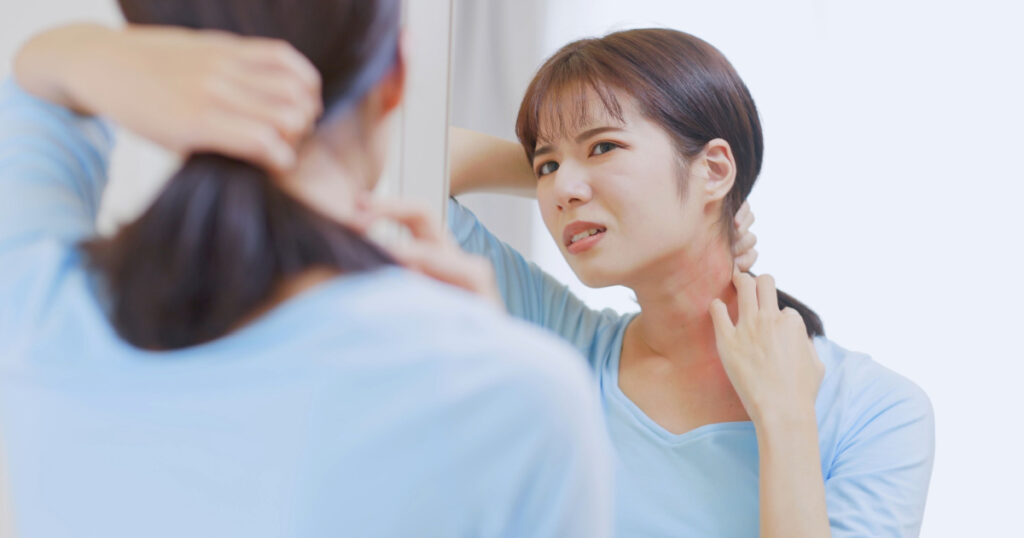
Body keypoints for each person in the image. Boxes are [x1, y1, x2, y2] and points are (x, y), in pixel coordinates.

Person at [0, 1, 614, 537]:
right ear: (397, 75)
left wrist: (113, 55)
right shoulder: (520, 396)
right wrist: (481, 363)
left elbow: (34, 83)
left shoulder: (40, 310)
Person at [448, 29, 935, 537]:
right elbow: (403, 159)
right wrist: (580, 178)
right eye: (545, 165)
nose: (561, 190)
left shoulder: (878, 411)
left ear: (715, 168)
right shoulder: (562, 344)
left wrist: (784, 419)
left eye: (604, 145)